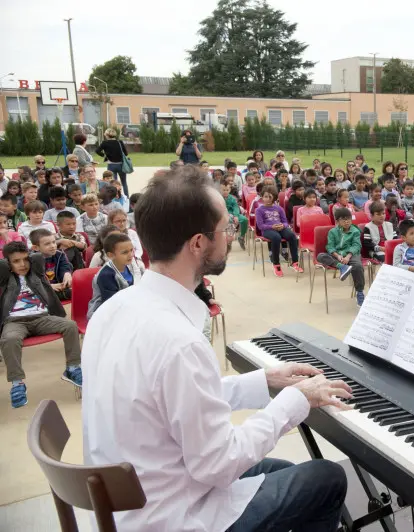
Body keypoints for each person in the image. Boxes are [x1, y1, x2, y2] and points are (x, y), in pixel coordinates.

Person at [81, 165, 351, 531]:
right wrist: (296, 401)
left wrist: (265, 382)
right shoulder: (178, 340)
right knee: (327, 479)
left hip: (138, 498)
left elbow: (170, 400)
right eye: (225, 229)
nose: (229, 235)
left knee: (286, 471)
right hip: (176, 515)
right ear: (197, 243)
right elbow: (218, 464)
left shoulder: (113, 310)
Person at [0, 241, 82, 408]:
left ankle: (72, 368)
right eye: (16, 261)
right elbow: (1, 265)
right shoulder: (5, 278)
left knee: (70, 326)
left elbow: (37, 257)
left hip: (41, 318)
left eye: (25, 259)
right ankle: (17, 383)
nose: (22, 265)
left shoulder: (35, 273)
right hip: (15, 321)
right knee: (9, 340)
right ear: (8, 264)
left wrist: (27, 256)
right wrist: (8, 262)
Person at [317, 208, 365, 306]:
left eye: (349, 219)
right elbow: (330, 246)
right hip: (337, 255)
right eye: (343, 219)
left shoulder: (355, 231)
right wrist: (337, 255)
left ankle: (359, 292)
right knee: (320, 256)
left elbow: (356, 245)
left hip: (351, 254)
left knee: (358, 266)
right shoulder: (332, 232)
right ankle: (342, 267)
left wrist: (348, 256)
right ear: (337, 221)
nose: (347, 221)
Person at [87, 232, 141, 319]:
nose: (131, 255)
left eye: (131, 250)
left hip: (128, 307)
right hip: (105, 314)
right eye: (125, 252)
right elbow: (112, 304)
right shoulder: (106, 275)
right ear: (111, 255)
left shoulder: (130, 264)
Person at [255, 186, 303, 277]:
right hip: (267, 230)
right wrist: (272, 226)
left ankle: (295, 262)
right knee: (276, 238)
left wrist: (282, 225)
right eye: (265, 196)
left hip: (280, 228)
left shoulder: (279, 208)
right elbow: (261, 226)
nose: (268, 199)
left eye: (270, 196)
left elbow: (285, 222)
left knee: (292, 236)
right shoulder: (259, 210)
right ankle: (276, 264)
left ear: (274, 197)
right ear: (262, 197)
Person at [30, 229, 73, 301]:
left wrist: (67, 274)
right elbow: (34, 280)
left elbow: (65, 266)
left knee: (76, 289)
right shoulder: (32, 260)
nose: (53, 246)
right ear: (36, 248)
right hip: (43, 288)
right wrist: (49, 286)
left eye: (54, 242)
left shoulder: (60, 255)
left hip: (59, 286)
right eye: (47, 244)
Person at [95, 128, 131, 196]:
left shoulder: (105, 143)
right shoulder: (119, 142)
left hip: (111, 165)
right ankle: (127, 198)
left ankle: (114, 197)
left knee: (112, 183)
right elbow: (126, 153)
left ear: (107, 135)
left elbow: (97, 151)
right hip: (121, 165)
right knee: (124, 183)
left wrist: (104, 155)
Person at [221, 183, 247, 250]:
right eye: (223, 190)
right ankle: (229, 240)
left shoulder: (232, 198)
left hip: (233, 213)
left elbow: (235, 207)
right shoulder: (219, 198)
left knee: (244, 219)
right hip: (223, 214)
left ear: (229, 190)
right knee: (229, 220)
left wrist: (236, 216)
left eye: (227, 190)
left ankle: (241, 237)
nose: (225, 191)